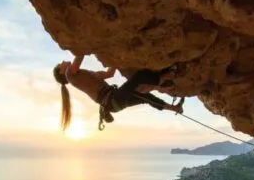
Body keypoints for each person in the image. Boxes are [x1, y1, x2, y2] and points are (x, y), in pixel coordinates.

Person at [53, 54, 184, 131]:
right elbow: (80, 53)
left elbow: (109, 74)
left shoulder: (87, 74)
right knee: (138, 77)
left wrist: (114, 60)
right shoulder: (69, 75)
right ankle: (166, 76)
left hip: (113, 102)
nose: (64, 61)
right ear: (61, 71)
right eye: (61, 64)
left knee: (145, 97)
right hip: (112, 100)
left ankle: (174, 108)